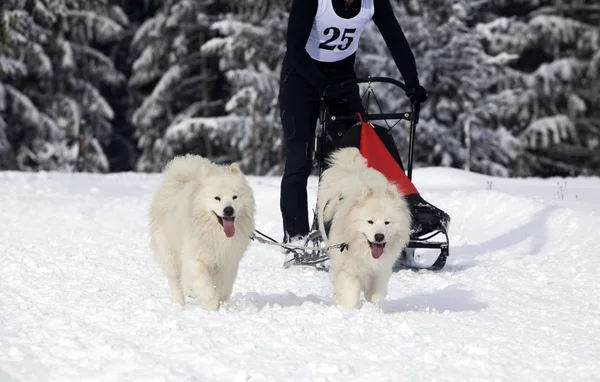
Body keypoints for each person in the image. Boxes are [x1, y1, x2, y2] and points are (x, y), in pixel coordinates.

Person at [278, 0, 428, 249]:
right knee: (298, 160)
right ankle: (296, 240)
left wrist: (412, 82)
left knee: (357, 157)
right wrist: (321, 83)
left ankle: (357, 229)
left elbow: (395, 39)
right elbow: (294, 48)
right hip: (300, 78)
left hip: (341, 78)